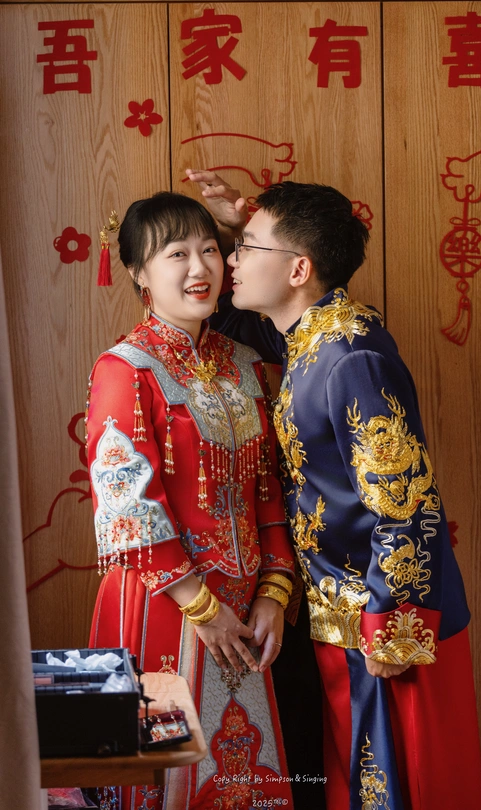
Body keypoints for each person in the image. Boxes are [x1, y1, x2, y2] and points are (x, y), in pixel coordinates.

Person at [187, 171, 481, 810]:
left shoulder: (351, 355)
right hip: (340, 618)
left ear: (299, 269)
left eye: (245, 248)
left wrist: (392, 627)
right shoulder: (310, 335)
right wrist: (241, 225)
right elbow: (238, 323)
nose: (230, 260)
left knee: (400, 788)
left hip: (384, 624)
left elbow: (405, 500)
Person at [85, 191, 296, 810]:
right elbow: (128, 506)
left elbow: (268, 490)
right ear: (138, 272)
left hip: (247, 609)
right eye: (176, 254)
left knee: (243, 775)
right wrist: (201, 606)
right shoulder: (126, 369)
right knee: (164, 778)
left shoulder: (245, 364)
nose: (200, 268)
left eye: (209, 249)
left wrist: (274, 591)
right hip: (161, 601)